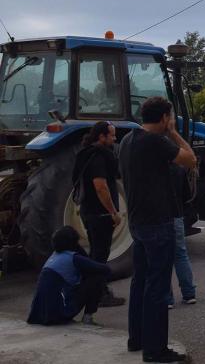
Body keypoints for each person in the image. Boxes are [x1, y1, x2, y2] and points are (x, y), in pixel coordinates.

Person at [120, 96, 196, 363]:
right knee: (158, 286)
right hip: (157, 222)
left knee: (140, 281)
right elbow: (190, 159)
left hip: (138, 222)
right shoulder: (156, 142)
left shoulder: (128, 140)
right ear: (164, 117)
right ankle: (156, 350)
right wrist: (174, 132)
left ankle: (136, 338)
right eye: (169, 118)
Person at [73, 121, 126, 308]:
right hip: (100, 215)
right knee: (100, 255)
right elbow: (101, 187)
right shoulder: (99, 157)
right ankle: (99, 294)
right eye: (111, 135)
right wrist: (113, 212)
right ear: (101, 137)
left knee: (96, 252)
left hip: (89, 212)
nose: (114, 138)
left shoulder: (86, 154)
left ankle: (97, 291)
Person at [27, 226, 111, 326]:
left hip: (39, 315)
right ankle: (87, 318)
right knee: (97, 276)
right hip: (58, 314)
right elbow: (105, 269)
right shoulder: (73, 258)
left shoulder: (53, 256)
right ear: (74, 242)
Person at [165, 165, 197, 309]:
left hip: (160, 217)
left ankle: (167, 298)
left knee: (162, 258)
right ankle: (189, 293)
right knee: (181, 255)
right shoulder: (179, 169)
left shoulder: (152, 168)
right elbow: (187, 196)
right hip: (177, 215)